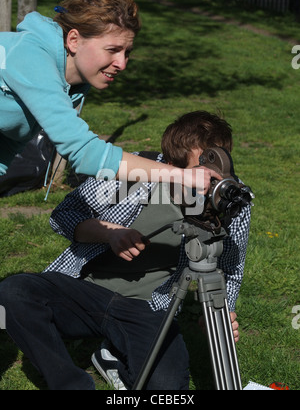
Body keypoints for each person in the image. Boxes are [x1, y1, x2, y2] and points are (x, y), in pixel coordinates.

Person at [0, 111, 251, 390]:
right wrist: (109, 234)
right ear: (170, 165)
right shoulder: (132, 174)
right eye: (201, 172)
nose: (212, 182)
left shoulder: (230, 199)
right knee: (14, 291)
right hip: (85, 293)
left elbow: (230, 268)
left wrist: (220, 314)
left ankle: (111, 356)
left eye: (219, 167)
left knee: (165, 387)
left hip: (150, 308)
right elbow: (62, 216)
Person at [0, 0, 219, 192]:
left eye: (127, 52)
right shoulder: (31, 58)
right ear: (74, 40)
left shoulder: (73, 84)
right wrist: (180, 175)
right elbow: (85, 153)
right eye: (113, 50)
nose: (122, 64)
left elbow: (5, 147)